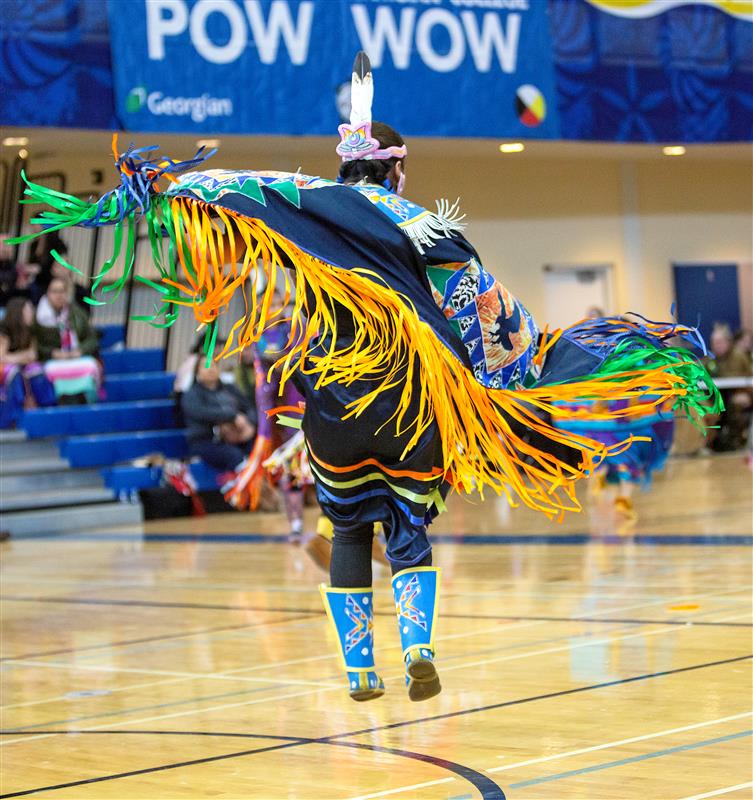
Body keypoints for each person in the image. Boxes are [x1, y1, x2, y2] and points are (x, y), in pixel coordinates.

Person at [8, 54, 720, 705]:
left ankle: (358, 671)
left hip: (333, 407)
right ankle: (418, 649)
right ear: (399, 171)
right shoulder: (427, 227)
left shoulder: (304, 199)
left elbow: (228, 187)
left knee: (347, 530)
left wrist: (157, 186)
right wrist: (507, 379)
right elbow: (493, 320)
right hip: (409, 405)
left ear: (348, 166)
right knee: (408, 525)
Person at [181, 357, 257, 473]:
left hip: (239, 437)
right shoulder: (191, 394)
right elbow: (201, 413)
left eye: (214, 365)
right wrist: (232, 417)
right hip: (206, 441)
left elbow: (250, 408)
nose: (210, 369)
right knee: (234, 455)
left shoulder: (230, 389)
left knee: (260, 446)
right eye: (206, 366)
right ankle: (242, 487)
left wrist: (249, 425)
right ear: (197, 372)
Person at [35, 278, 101, 403]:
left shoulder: (77, 313)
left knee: (91, 366)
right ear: (47, 294)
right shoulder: (39, 317)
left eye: (62, 291)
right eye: (55, 291)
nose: (59, 295)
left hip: (76, 356)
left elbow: (92, 338)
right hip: (52, 360)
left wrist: (81, 350)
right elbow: (35, 344)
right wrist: (52, 353)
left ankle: (85, 401)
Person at [0, 297, 55, 428]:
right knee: (13, 372)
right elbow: (1, 357)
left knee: (37, 370)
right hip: (5, 368)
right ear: (19, 313)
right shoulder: (4, 330)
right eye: (28, 310)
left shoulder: (30, 330)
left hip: (20, 365)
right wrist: (21, 357)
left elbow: (33, 355)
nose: (32, 313)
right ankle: (11, 417)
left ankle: (45, 407)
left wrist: (16, 357)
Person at [703, 324, 752, 451]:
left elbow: (749, 377)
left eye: (719, 342)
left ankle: (736, 439)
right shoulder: (711, 359)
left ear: (728, 342)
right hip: (719, 395)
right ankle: (713, 440)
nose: (716, 345)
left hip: (741, 392)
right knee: (706, 406)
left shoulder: (739, 356)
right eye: (713, 342)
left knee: (734, 402)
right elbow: (699, 369)